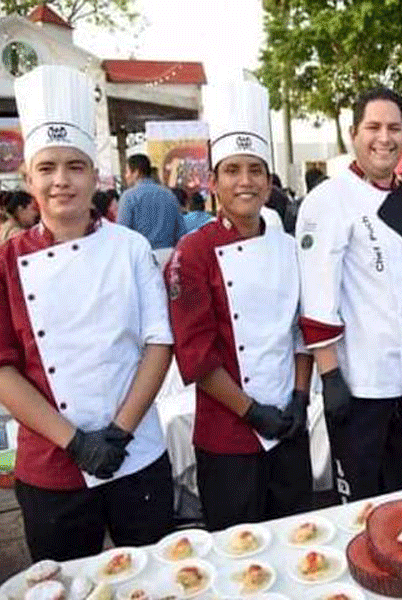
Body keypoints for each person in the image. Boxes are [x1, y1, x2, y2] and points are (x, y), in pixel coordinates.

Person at [0, 65, 174, 561]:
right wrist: (75, 443)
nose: (61, 181)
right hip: (52, 468)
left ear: (95, 176)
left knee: (156, 581)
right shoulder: (7, 262)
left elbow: (158, 343)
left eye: (75, 166)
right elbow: (3, 369)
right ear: (28, 177)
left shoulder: (132, 247)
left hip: (137, 454)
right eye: (48, 168)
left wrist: (119, 431)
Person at [166, 78, 312, 531]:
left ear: (269, 183)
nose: (245, 181)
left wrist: (300, 400)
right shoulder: (192, 252)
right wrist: (251, 412)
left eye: (255, 170)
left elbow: (300, 332)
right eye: (232, 170)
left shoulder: (288, 247)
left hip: (288, 427)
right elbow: (196, 353)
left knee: (296, 545)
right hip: (227, 437)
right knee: (237, 556)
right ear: (213, 182)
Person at [296, 87, 402, 502]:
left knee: (399, 497)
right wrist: (331, 375)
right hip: (360, 386)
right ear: (353, 133)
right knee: (357, 507)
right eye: (373, 127)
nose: (384, 137)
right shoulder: (328, 200)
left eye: (394, 128)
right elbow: (316, 295)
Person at [117, 153, 187, 265]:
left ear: (136, 172)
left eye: (127, 172)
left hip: (141, 259)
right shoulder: (169, 195)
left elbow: (122, 233)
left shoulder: (128, 197)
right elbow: (181, 232)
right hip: (169, 258)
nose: (126, 176)